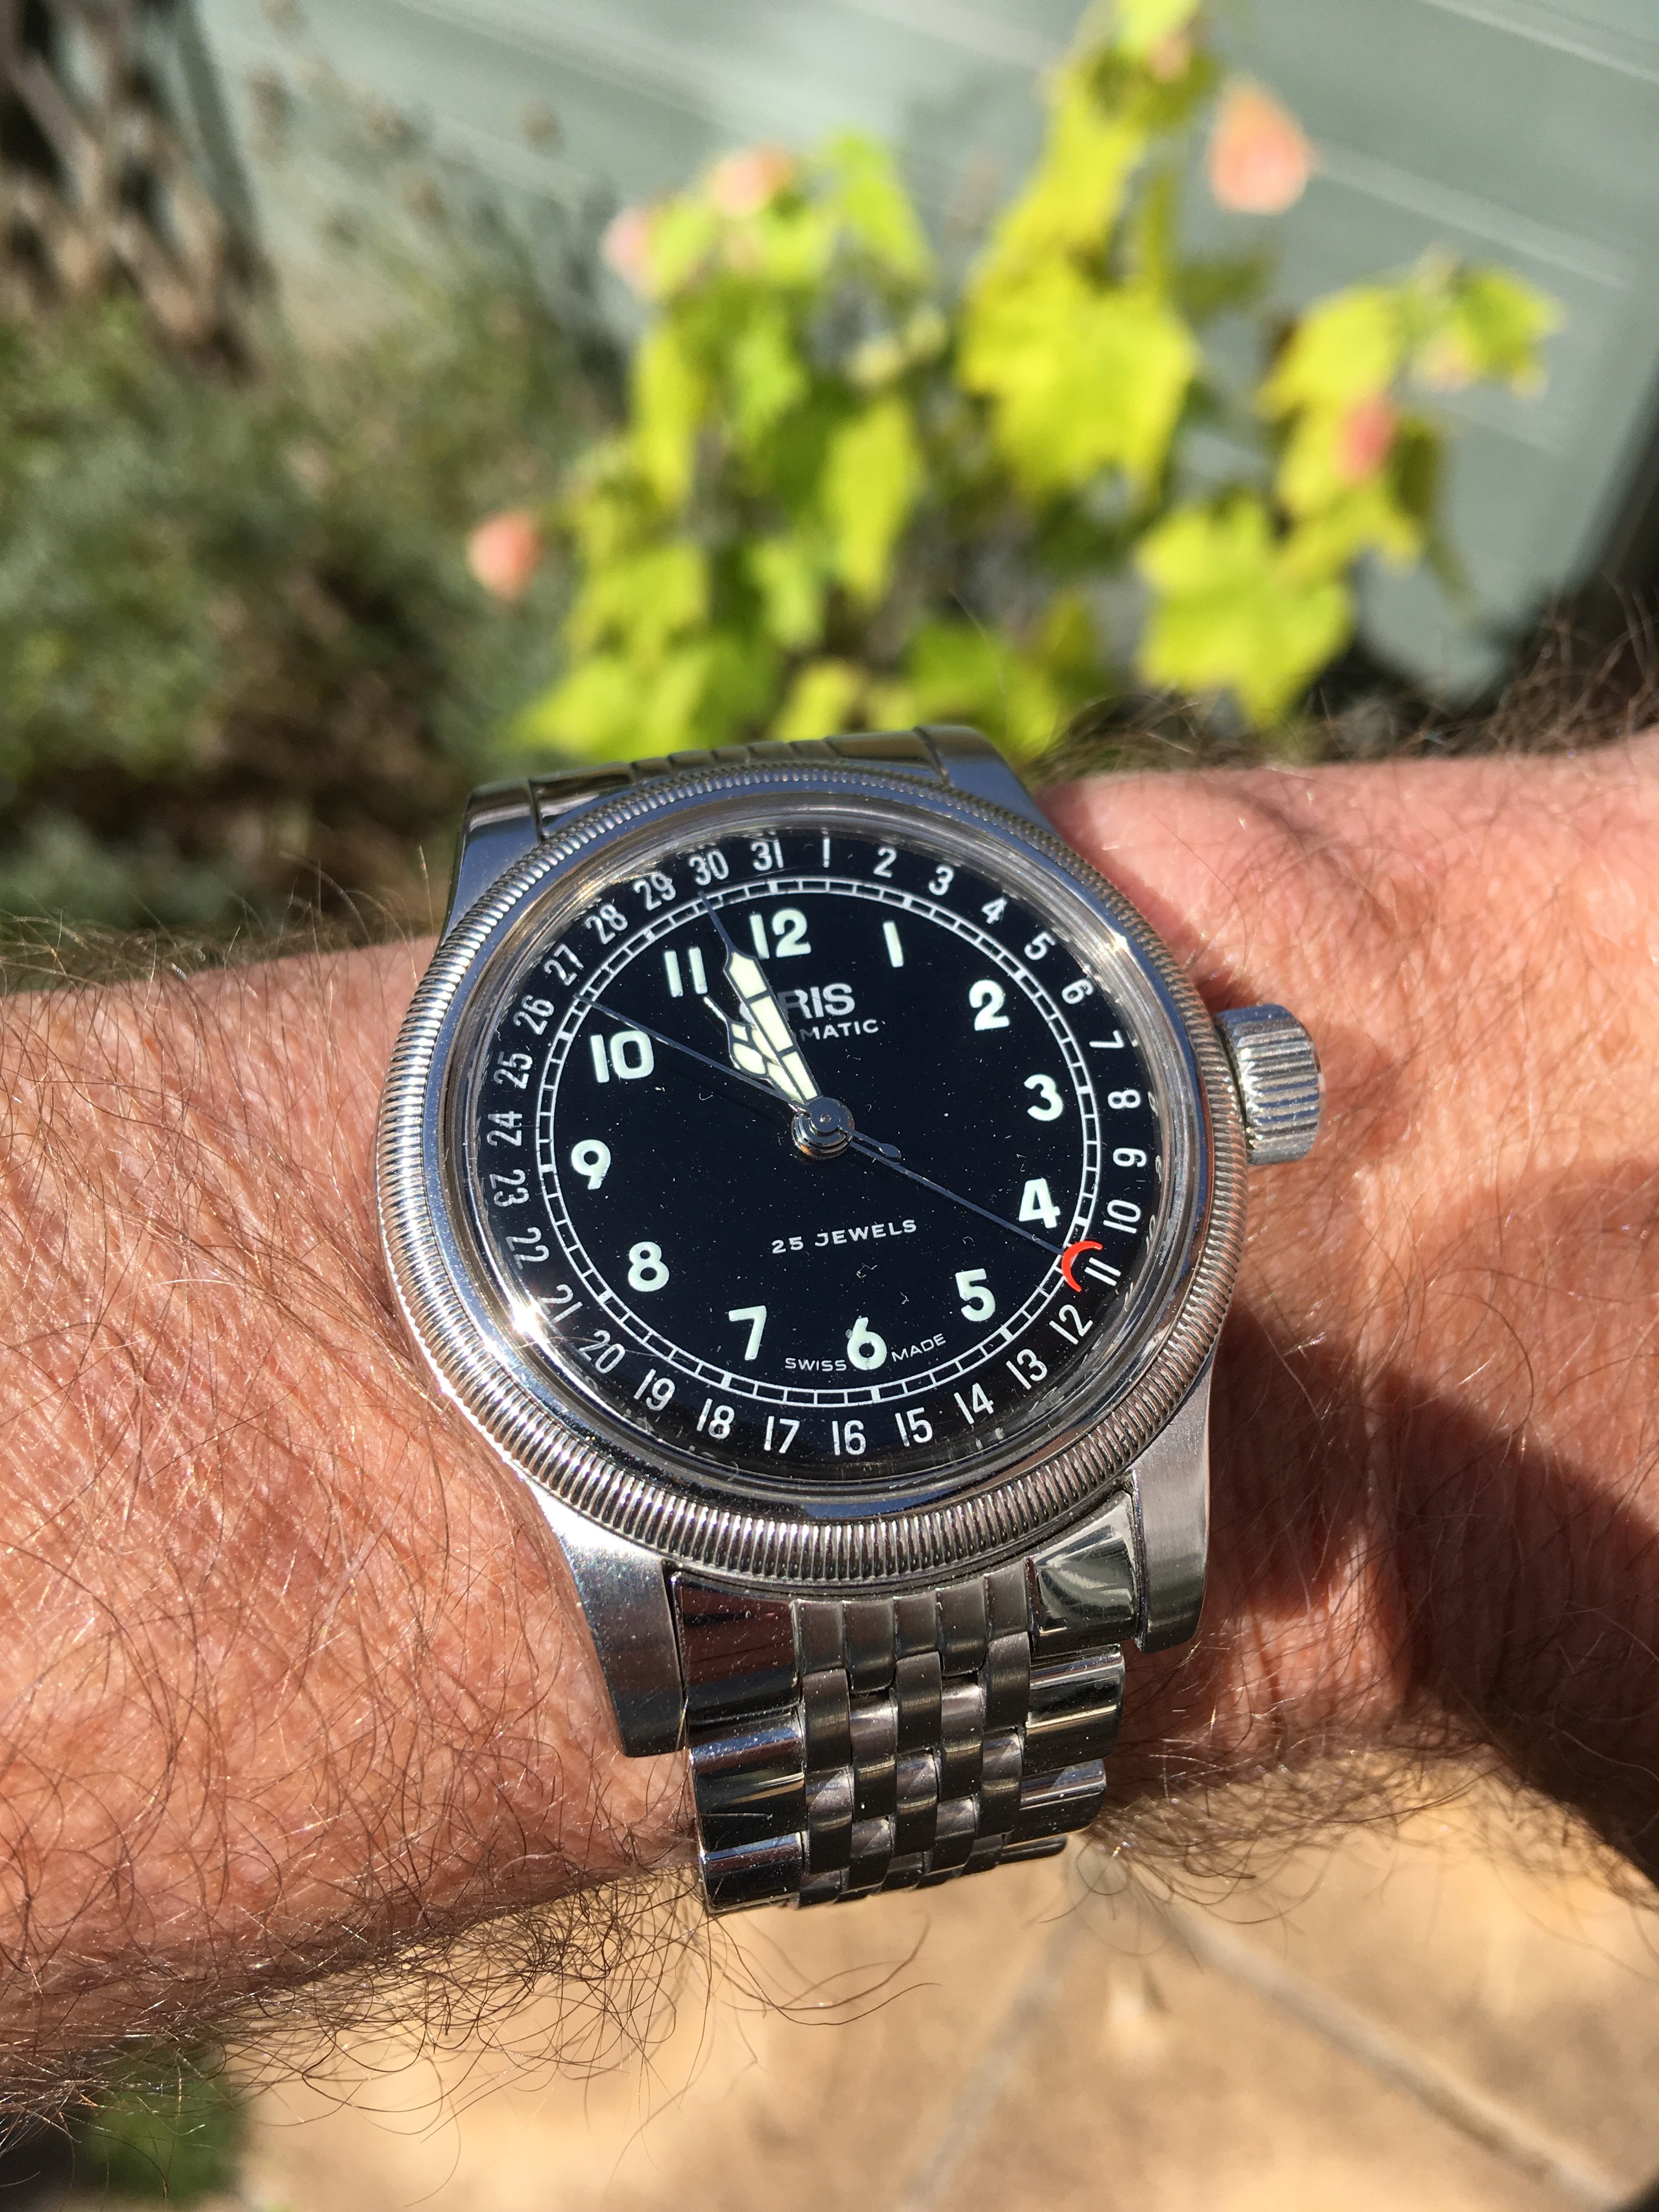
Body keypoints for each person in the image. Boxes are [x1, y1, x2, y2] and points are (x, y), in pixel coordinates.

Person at [1, 723, 1655, 2098]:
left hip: (1061, 1428)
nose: (821, 1126)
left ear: (1239, 1091)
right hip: (693, 1483)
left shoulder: (1149, 1106)